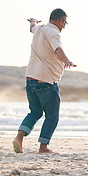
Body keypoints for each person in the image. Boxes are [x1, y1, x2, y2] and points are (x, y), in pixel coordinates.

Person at [13, 9, 76, 154]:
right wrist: (66, 60)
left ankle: (19, 138)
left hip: (30, 79)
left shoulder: (39, 29)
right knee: (52, 115)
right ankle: (43, 147)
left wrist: (33, 21)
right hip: (46, 80)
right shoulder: (53, 32)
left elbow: (32, 28)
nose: (64, 26)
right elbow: (57, 48)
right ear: (60, 21)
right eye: (65, 22)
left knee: (35, 112)